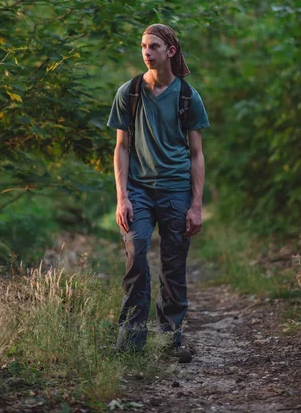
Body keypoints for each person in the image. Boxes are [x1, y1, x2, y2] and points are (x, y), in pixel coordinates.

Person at [107, 23, 210, 360]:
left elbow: (196, 154)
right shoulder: (129, 92)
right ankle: (131, 342)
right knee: (136, 257)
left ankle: (170, 341)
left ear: (171, 51)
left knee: (173, 266)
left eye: (153, 46)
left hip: (176, 191)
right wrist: (122, 197)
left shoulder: (187, 97)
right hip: (138, 190)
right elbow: (121, 148)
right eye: (143, 46)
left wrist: (196, 205)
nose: (147, 52)